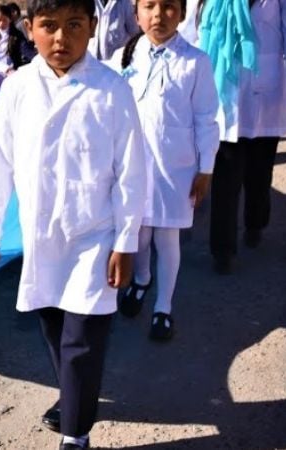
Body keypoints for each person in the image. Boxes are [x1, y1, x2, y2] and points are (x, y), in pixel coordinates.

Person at [0, 0, 145, 448]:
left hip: (96, 236)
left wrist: (126, 242)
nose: (61, 38)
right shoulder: (18, 90)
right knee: (54, 330)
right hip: (42, 236)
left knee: (82, 341)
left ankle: (76, 434)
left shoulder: (111, 90)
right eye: (49, 26)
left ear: (91, 28)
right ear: (30, 29)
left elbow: (131, 171)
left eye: (74, 26)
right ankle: (75, 397)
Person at [111, 0, 219, 340]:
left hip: (176, 169)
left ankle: (163, 308)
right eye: (149, 6)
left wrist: (206, 168)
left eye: (169, 6)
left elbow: (207, 118)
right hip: (132, 167)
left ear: (183, 14)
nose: (159, 15)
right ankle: (142, 279)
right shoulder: (125, 57)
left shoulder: (196, 61)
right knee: (139, 233)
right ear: (137, 14)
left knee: (167, 236)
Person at [199, 0, 286, 274]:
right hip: (224, 92)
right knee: (225, 178)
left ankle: (255, 223)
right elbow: (196, 31)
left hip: (266, 96)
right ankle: (223, 250)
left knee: (259, 175)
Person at [0, 3, 32, 70]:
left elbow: (26, 51)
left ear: (10, 20)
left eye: (4, 20)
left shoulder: (16, 35)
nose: (1, 23)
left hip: (12, 72)